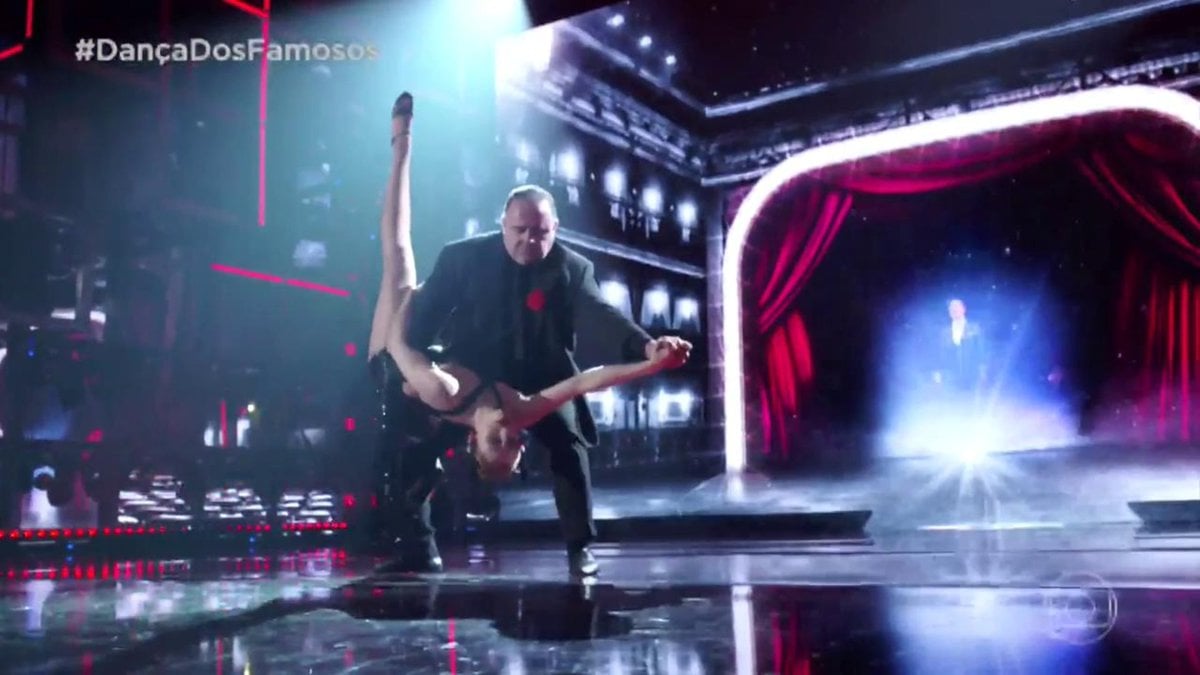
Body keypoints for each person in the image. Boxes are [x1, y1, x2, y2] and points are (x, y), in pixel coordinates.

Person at [367, 93, 692, 575]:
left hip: (535, 373)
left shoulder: (572, 270)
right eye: (520, 230)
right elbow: (425, 310)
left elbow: (599, 316)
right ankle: (416, 538)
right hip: (470, 365)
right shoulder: (463, 258)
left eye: (540, 233)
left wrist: (645, 346)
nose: (529, 241)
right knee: (414, 441)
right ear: (504, 224)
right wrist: (411, 355)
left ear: (555, 229)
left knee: (567, 444)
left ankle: (580, 547)